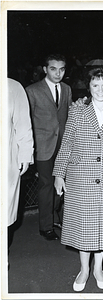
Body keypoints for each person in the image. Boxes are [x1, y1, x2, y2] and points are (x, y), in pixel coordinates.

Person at [52, 68, 103, 292]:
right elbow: (66, 144)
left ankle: (98, 268)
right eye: (95, 85)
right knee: (83, 227)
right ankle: (84, 269)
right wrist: (59, 174)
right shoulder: (77, 112)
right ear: (89, 88)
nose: (100, 90)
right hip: (80, 178)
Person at [26, 54, 72, 240]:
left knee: (62, 184)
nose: (58, 73)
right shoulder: (32, 90)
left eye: (61, 69)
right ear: (45, 69)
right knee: (46, 185)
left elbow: (69, 117)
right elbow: (27, 122)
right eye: (53, 69)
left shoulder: (67, 89)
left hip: (63, 145)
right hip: (43, 146)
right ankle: (46, 226)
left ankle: (56, 217)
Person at [8, 78, 34, 246]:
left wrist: (25, 154)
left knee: (4, 212)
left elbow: (23, 124)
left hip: (6, 160)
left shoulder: (13, 87)